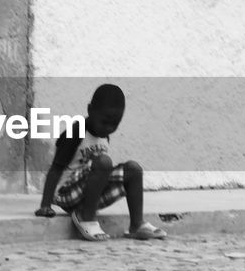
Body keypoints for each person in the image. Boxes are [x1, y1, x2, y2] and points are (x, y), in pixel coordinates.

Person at [35, 84, 168, 242]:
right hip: (67, 194)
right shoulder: (76, 131)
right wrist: (45, 205)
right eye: (104, 122)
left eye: (115, 125)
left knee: (133, 169)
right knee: (104, 162)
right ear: (90, 110)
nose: (108, 128)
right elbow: (56, 168)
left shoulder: (104, 135)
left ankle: (137, 224)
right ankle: (86, 217)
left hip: (88, 193)